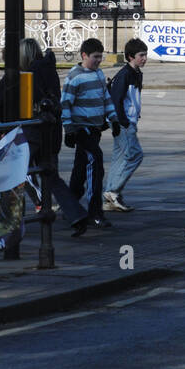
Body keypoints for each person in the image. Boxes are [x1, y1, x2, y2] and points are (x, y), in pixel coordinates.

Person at [0, 38, 90, 236]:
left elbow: (0, 103)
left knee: (9, 171)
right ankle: (76, 213)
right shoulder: (47, 70)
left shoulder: (25, 75)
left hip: (28, 131)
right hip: (50, 130)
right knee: (50, 175)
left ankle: (6, 219)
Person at [61, 38, 120, 228]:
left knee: (80, 171)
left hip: (95, 129)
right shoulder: (75, 76)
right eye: (95, 57)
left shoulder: (99, 74)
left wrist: (113, 119)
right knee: (96, 165)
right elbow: (65, 103)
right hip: (81, 128)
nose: (98, 61)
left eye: (100, 57)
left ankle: (69, 207)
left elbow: (106, 98)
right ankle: (95, 212)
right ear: (84, 55)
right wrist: (69, 129)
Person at [103, 37, 148, 212]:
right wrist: (124, 122)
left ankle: (110, 197)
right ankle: (113, 191)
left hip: (127, 121)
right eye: (141, 55)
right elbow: (116, 100)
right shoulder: (125, 74)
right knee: (135, 155)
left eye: (145, 55)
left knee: (119, 158)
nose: (144, 58)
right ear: (130, 57)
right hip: (124, 123)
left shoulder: (135, 73)